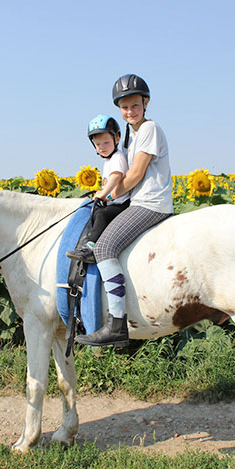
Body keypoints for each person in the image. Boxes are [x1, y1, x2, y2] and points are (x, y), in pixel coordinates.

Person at [75, 74, 174, 348]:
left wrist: (113, 192)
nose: (130, 112)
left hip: (150, 203)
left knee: (104, 248)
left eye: (135, 105)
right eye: (124, 107)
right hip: (138, 201)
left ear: (146, 102)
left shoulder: (150, 129)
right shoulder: (133, 134)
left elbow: (137, 174)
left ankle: (116, 323)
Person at [66, 114, 130, 264]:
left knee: (101, 214)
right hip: (113, 202)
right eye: (98, 144)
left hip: (122, 204)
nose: (102, 147)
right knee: (94, 212)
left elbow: (115, 177)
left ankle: (90, 248)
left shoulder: (117, 158)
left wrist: (103, 194)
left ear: (117, 138)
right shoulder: (108, 160)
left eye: (106, 143)